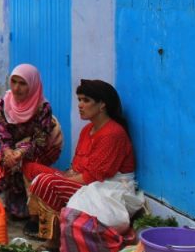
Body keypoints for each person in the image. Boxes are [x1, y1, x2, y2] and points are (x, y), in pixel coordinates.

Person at [23, 80, 134, 239]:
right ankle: (46, 222)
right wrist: (62, 177)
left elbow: (92, 177)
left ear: (102, 105)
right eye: (79, 100)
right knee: (30, 167)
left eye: (86, 100)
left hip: (104, 190)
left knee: (45, 182)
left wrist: (58, 179)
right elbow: (76, 167)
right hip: (83, 183)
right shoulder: (87, 130)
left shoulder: (113, 133)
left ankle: (55, 235)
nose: (80, 105)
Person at [0, 64, 63, 218]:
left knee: (25, 165)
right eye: (14, 82)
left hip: (45, 146)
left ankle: (36, 214)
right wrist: (8, 151)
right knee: (4, 161)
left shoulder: (42, 108)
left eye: (23, 83)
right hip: (14, 146)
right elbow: (3, 134)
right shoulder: (3, 104)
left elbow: (40, 140)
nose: (16, 88)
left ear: (33, 85)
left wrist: (19, 152)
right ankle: (13, 207)